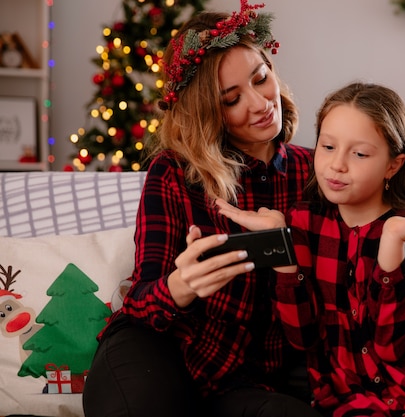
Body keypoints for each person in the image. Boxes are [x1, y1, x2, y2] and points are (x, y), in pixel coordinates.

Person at [82, 2, 322, 416]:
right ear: (207, 111)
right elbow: (141, 298)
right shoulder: (174, 172)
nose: (260, 103)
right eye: (231, 99)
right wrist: (180, 286)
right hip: (157, 353)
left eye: (260, 78)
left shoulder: (318, 173)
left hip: (243, 384)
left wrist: (288, 255)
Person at [216, 82, 405, 416]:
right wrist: (280, 248)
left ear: (393, 166)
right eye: (327, 147)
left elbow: (391, 346)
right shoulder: (303, 222)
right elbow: (302, 336)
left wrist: (392, 248)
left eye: (359, 154)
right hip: (350, 396)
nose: (337, 165)